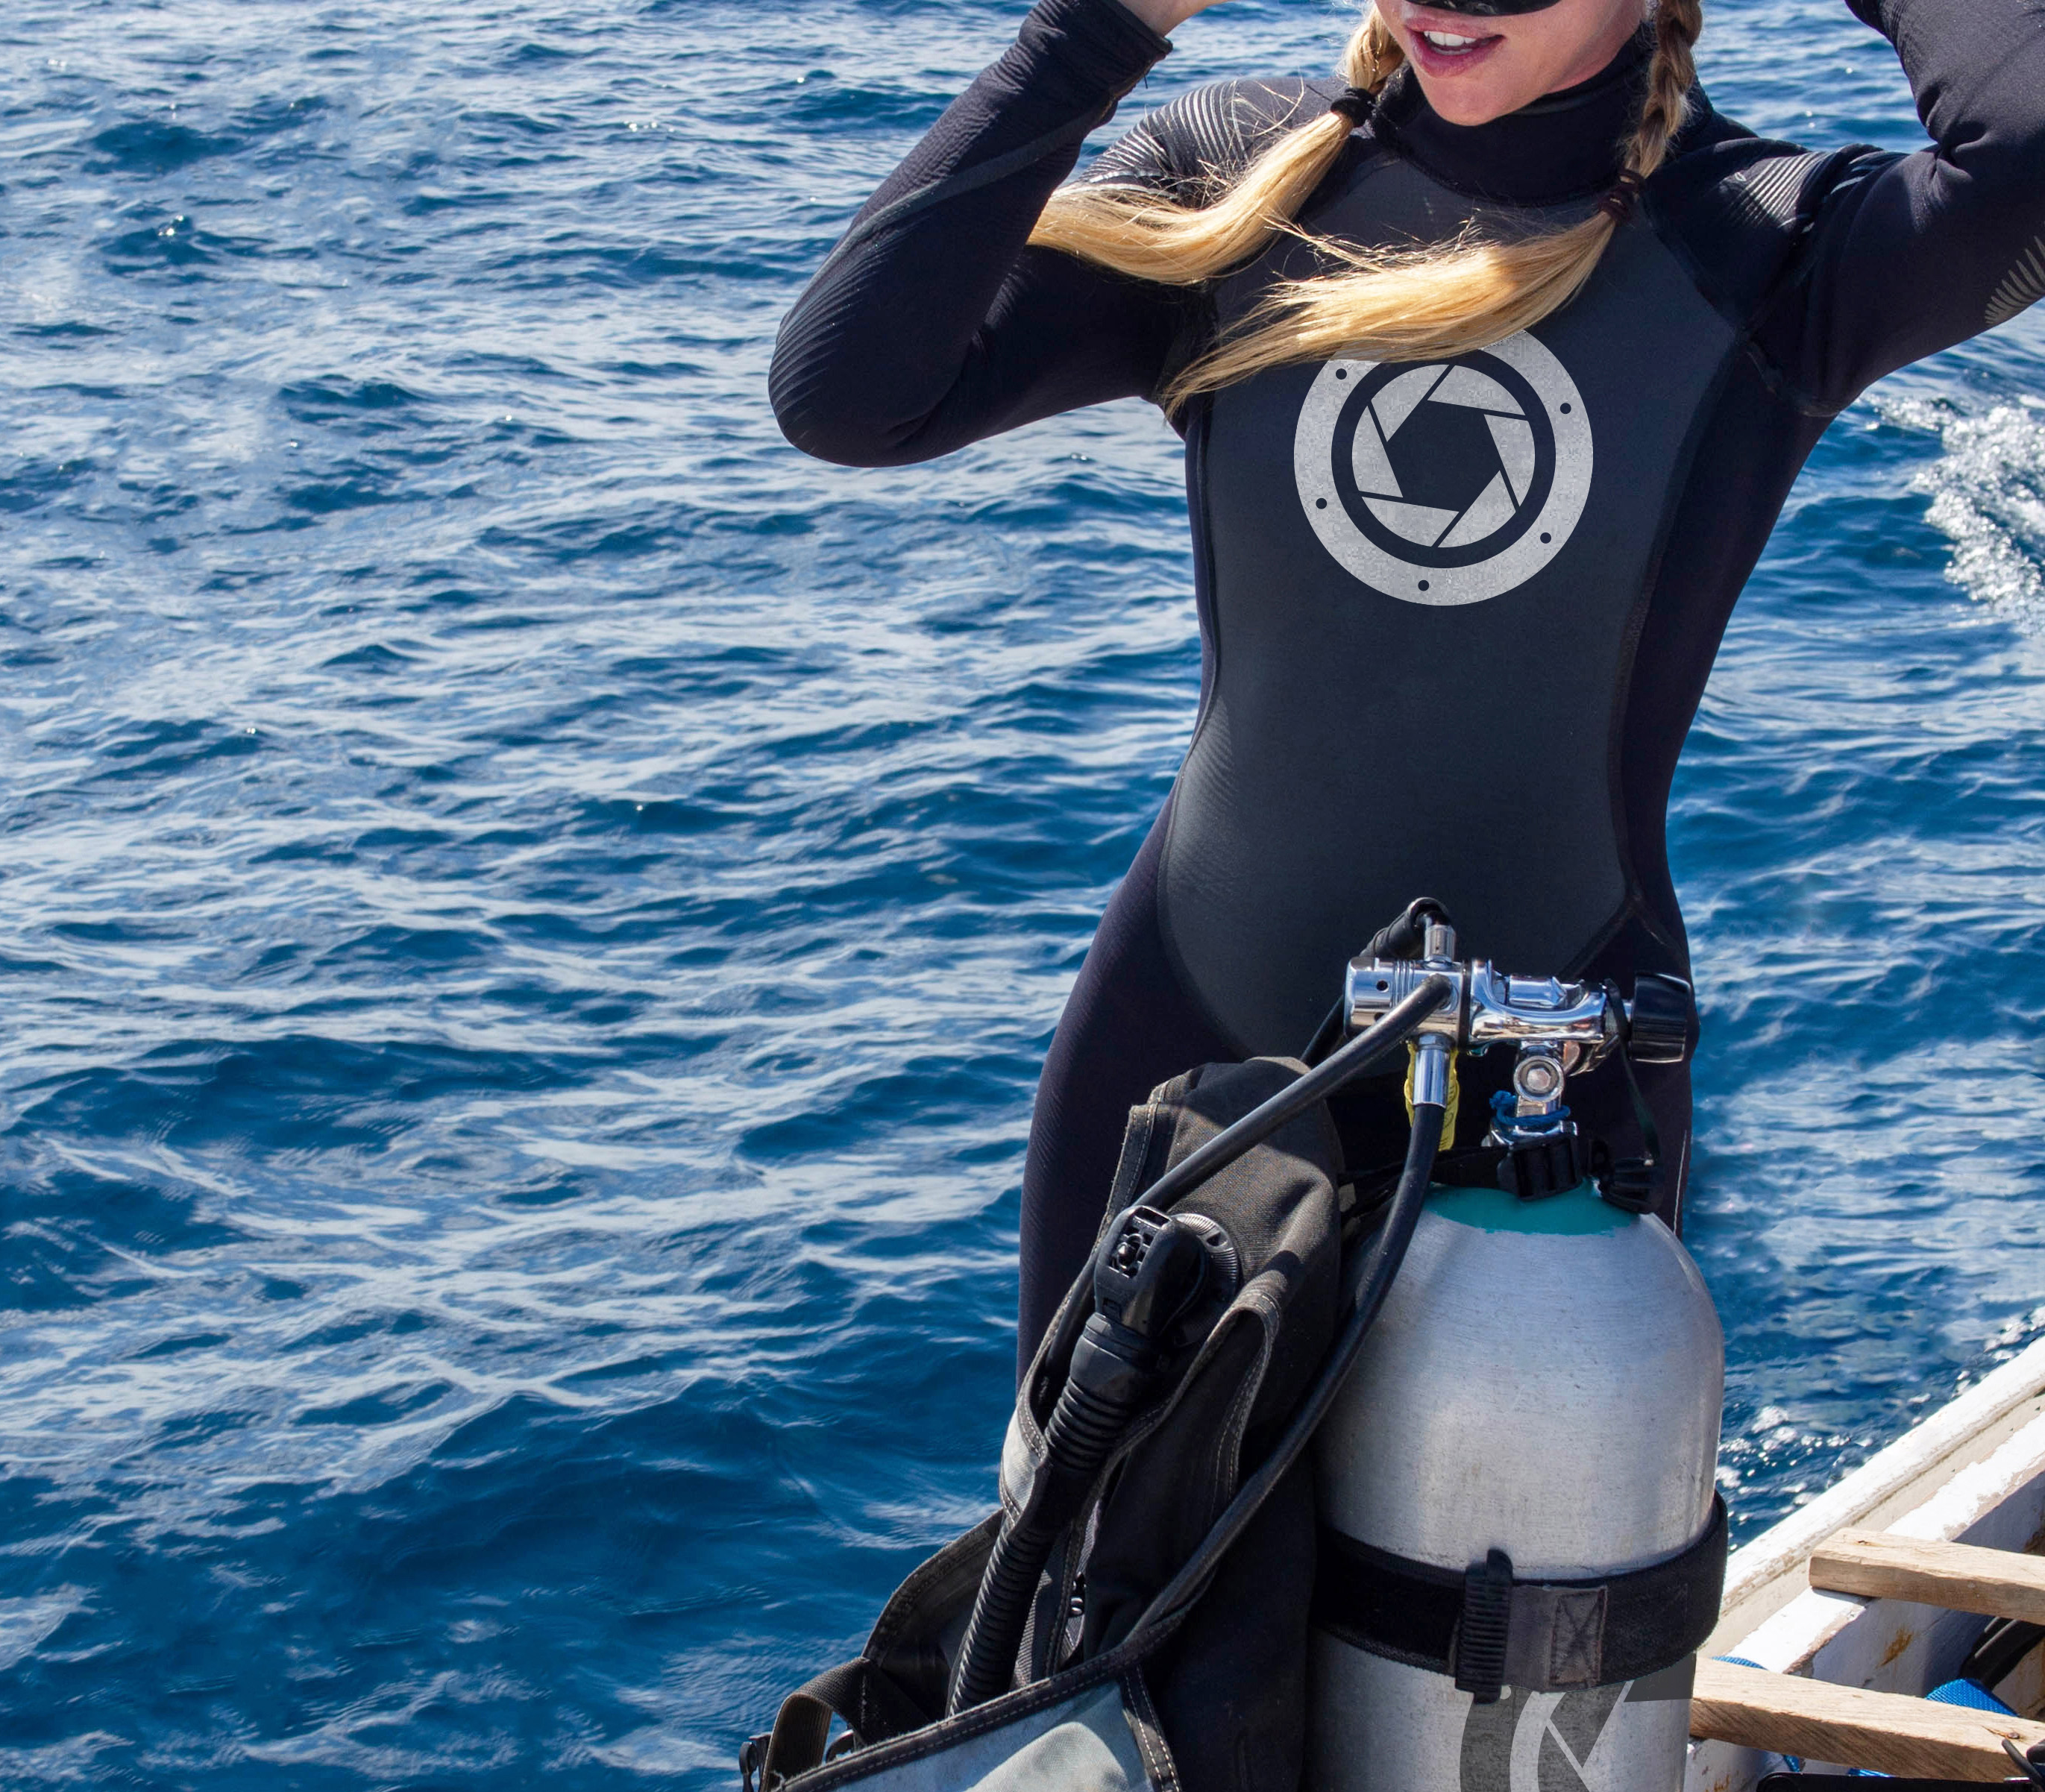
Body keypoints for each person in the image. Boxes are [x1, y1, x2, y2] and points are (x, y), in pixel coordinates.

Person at [770, 0, 2045, 1361]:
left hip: (1558, 1070)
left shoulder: (1761, 246)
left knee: (1523, 1570)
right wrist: (1106, 28)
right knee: (1086, 1563)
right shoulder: (1245, 177)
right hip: (1181, 1047)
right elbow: (851, 396)